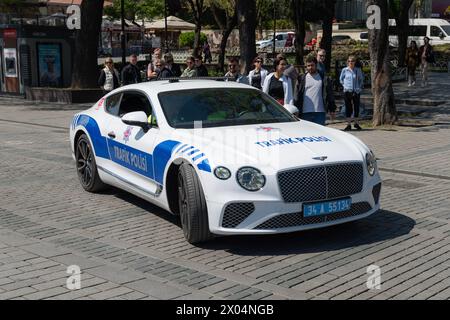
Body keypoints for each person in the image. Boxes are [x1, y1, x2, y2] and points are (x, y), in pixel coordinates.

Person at [294, 56, 336, 126]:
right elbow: (296, 95)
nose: (310, 67)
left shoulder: (323, 77)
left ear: (316, 65)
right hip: (305, 112)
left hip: (320, 112)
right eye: (308, 66)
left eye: (312, 65)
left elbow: (330, 94)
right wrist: (295, 109)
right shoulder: (301, 79)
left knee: (320, 134)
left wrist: (332, 109)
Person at [339, 55, 364, 131]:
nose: (350, 63)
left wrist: (359, 88)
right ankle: (348, 124)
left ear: (354, 62)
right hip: (347, 91)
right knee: (348, 107)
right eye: (349, 61)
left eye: (352, 61)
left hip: (356, 91)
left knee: (356, 107)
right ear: (347, 62)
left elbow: (361, 79)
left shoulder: (358, 70)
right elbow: (341, 79)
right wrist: (344, 86)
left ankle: (356, 123)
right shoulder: (345, 70)